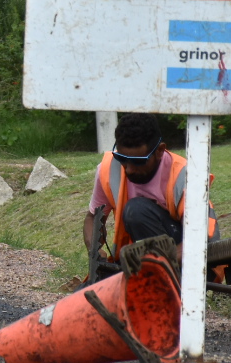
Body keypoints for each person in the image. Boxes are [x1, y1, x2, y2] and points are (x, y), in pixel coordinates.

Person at [83, 113, 215, 276]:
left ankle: (163, 281)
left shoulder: (185, 176)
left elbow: (202, 238)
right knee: (86, 293)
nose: (129, 169)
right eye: (122, 158)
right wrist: (94, 251)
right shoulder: (109, 169)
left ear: (159, 151)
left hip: (195, 266)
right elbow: (92, 219)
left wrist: (154, 262)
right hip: (143, 261)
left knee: (136, 210)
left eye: (138, 161)